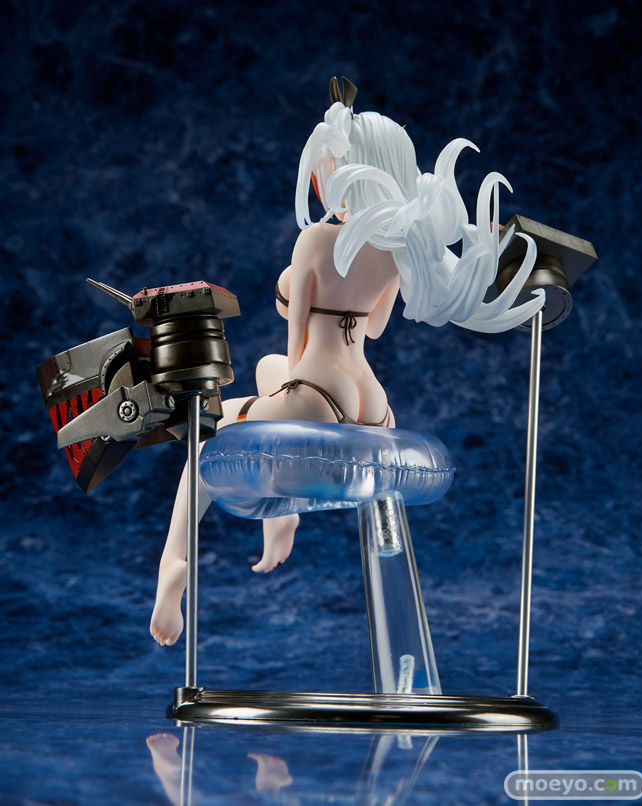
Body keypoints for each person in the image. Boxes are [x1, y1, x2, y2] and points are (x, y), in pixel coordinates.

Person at [150, 77, 544, 647]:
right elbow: (375, 326)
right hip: (372, 402)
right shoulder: (401, 246)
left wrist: (284, 371)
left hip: (318, 390)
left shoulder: (315, 241)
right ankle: (280, 516)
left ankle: (173, 566)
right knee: (266, 369)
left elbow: (298, 344)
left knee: (205, 431)